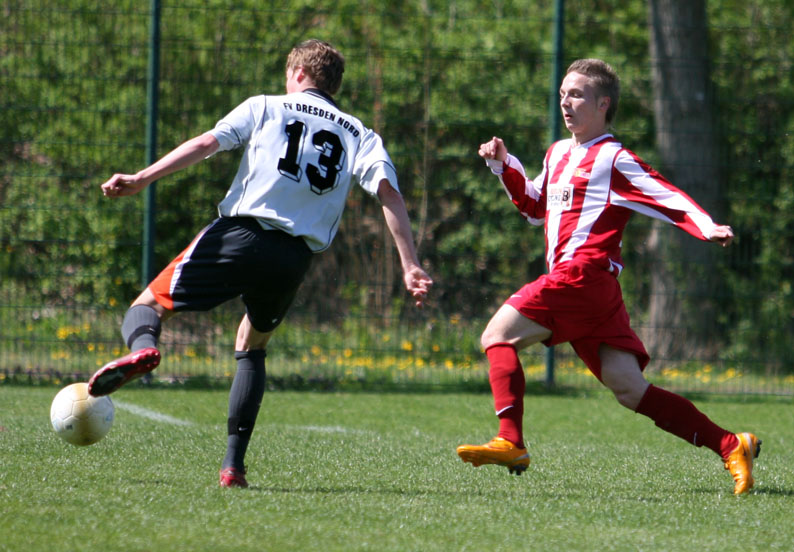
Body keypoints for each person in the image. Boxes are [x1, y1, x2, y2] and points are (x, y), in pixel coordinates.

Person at [87, 39, 433, 489]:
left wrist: (142, 178)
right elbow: (389, 192)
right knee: (252, 346)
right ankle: (233, 467)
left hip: (241, 234)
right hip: (294, 259)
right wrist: (410, 264)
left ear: (298, 74)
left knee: (148, 305)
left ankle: (143, 348)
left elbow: (206, 143)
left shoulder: (267, 106)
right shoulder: (358, 133)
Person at [456, 58, 760, 495]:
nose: (566, 102)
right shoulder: (558, 153)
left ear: (603, 104)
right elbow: (535, 208)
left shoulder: (614, 158)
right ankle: (732, 445)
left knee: (496, 336)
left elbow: (664, 193)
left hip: (582, 275)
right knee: (630, 389)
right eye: (563, 94)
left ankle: (511, 440)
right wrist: (505, 166)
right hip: (592, 291)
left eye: (577, 95)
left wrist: (706, 226)